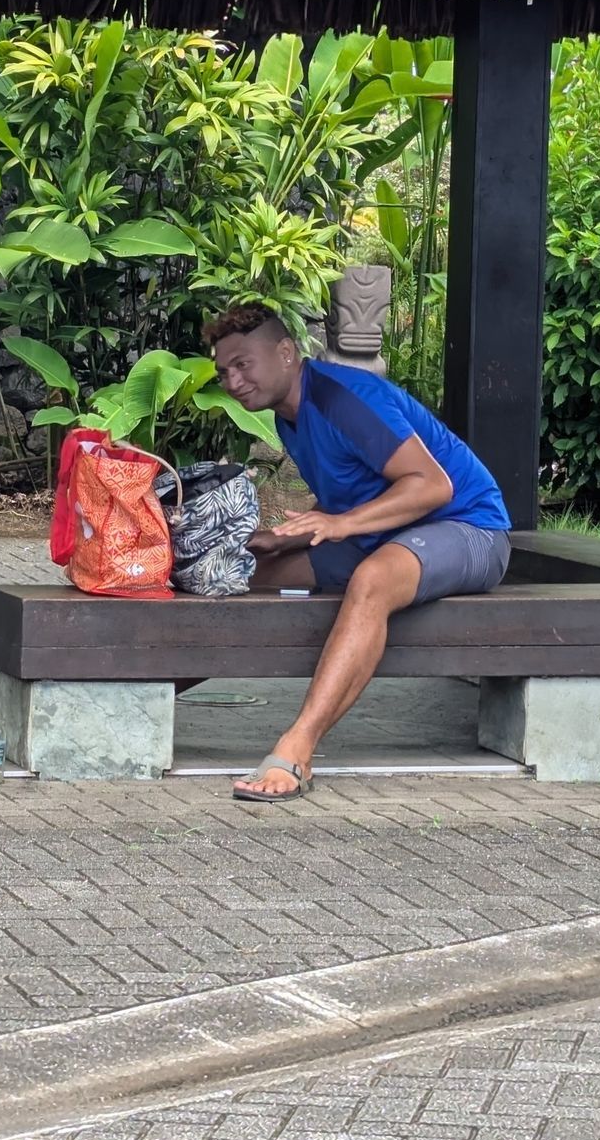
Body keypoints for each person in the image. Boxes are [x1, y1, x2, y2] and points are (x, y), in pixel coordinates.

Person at [207, 304, 511, 801]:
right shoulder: (289, 416)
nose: (233, 380)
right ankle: (151, 691)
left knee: (373, 579)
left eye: (243, 364)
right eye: (224, 371)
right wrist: (288, 537)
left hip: (468, 528)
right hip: (389, 535)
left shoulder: (344, 398)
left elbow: (433, 486)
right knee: (246, 572)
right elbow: (351, 492)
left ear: (286, 354)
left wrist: (339, 524)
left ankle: (298, 747)